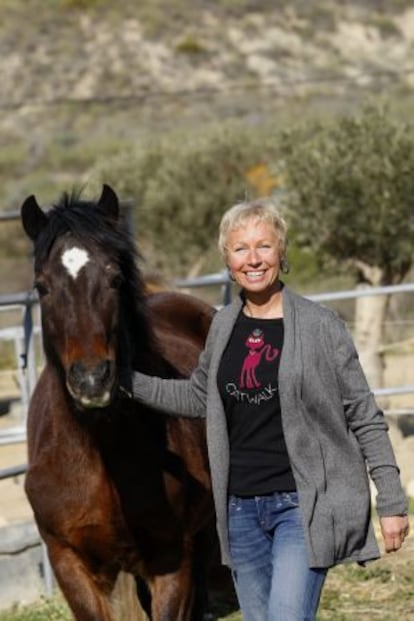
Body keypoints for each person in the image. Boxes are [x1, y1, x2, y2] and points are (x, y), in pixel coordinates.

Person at [126, 197, 409, 621]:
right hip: (239, 511)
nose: (253, 259)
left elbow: (364, 416)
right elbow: (198, 396)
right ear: (228, 259)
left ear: (281, 252)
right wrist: (124, 382)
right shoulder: (223, 326)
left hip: (302, 507)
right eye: (241, 249)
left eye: (264, 246)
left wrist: (390, 501)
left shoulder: (320, 326)